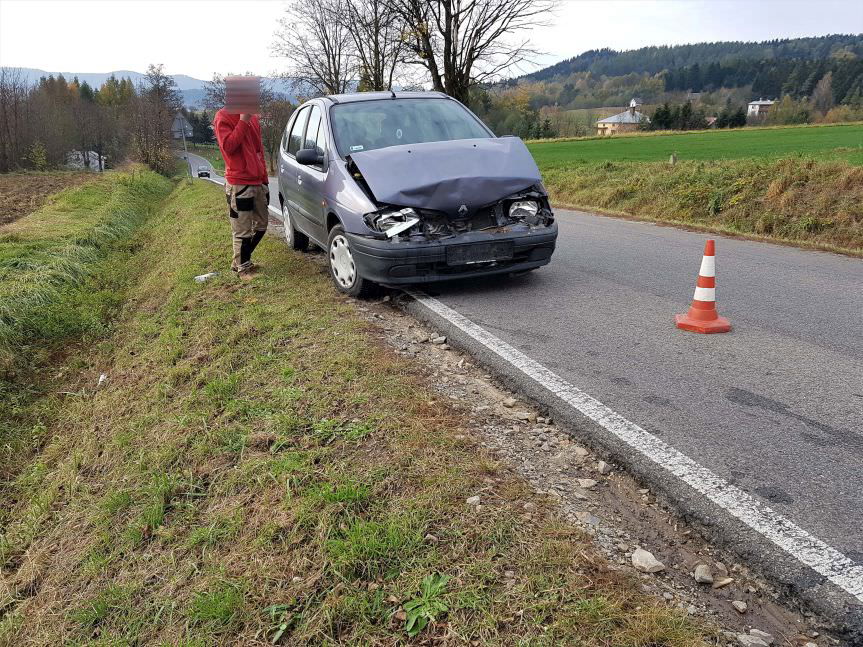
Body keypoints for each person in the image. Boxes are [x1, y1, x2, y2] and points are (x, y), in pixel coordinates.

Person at [213, 82, 269, 280]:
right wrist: (243, 120)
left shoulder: (253, 118)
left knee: (262, 225)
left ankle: (240, 261)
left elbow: (258, 150)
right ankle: (243, 267)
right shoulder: (223, 117)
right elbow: (228, 146)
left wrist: (265, 180)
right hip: (238, 182)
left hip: (257, 182)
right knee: (242, 230)